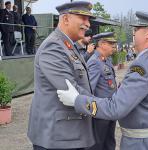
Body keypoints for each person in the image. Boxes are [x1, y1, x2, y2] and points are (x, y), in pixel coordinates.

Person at [57, 11, 148, 150]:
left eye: (136, 29)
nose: (134, 33)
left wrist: (77, 100)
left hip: (143, 144)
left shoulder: (143, 64)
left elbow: (116, 108)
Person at [27, 1, 96, 150]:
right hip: (57, 137)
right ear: (65, 19)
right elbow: (70, 89)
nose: (88, 24)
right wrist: (106, 105)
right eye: (83, 18)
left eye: (88, 19)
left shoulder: (67, 45)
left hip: (68, 134)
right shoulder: (53, 46)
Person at [87, 32, 117, 150]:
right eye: (111, 44)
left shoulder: (106, 60)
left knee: (109, 142)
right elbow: (89, 90)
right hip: (100, 112)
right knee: (98, 144)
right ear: (102, 44)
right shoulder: (94, 62)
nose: (114, 46)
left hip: (110, 109)